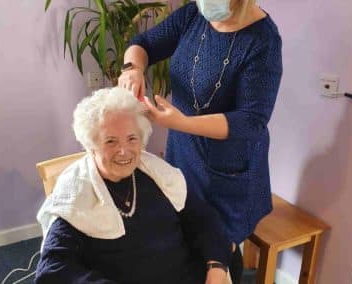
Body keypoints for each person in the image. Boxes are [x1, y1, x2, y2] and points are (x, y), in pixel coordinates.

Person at [118, 0, 283, 283]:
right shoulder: (194, 15)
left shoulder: (262, 41)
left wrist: (181, 123)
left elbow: (251, 121)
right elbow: (143, 43)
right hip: (184, 154)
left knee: (218, 252)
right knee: (185, 233)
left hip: (228, 170)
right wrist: (132, 68)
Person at [34, 87, 233, 284]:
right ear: (91, 146)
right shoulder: (77, 193)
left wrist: (216, 269)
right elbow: (53, 269)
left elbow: (204, 219)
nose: (123, 151)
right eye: (111, 141)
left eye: (131, 139)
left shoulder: (159, 174)